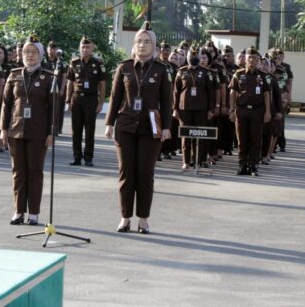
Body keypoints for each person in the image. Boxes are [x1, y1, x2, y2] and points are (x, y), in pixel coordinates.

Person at [105, 22, 172, 234]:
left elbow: (167, 101)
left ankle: (143, 219)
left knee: (144, 173)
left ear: (154, 46)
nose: (142, 45)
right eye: (139, 41)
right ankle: (125, 218)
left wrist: (168, 127)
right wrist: (109, 123)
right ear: (133, 45)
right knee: (126, 173)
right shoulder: (123, 67)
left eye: (147, 42)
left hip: (150, 128)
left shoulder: (161, 70)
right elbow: (115, 97)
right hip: (125, 126)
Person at [0, 36, 55, 226]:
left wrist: (51, 133)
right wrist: (3, 129)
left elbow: (53, 107)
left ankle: (34, 213)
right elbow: (6, 105)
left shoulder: (48, 77)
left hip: (38, 132)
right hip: (16, 130)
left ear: (40, 55)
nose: (29, 55)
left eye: (34, 52)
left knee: (35, 171)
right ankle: (18, 210)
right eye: (26, 52)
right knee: (18, 172)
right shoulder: (14, 75)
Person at [229, 47, 271, 176]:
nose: (252, 60)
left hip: (257, 111)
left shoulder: (263, 76)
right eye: (249, 58)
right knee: (242, 140)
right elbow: (233, 93)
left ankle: (253, 166)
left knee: (255, 139)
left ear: (258, 60)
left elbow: (266, 95)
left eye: (255, 58)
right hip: (241, 110)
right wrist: (232, 110)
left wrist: (268, 112)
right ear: (245, 60)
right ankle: (242, 165)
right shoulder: (238, 74)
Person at [66, 36, 106, 166]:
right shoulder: (74, 63)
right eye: (83, 47)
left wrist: (100, 102)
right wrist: (68, 101)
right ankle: (77, 157)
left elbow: (102, 84)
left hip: (91, 99)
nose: (85, 49)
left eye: (88, 47)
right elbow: (69, 83)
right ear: (79, 48)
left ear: (92, 48)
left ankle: (88, 158)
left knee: (90, 129)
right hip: (77, 98)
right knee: (76, 130)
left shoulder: (98, 63)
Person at [174, 48, 216, 170]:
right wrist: (175, 108)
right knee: (185, 136)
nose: (194, 57)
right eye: (191, 55)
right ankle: (186, 161)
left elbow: (210, 92)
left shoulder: (206, 72)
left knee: (199, 136)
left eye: (196, 55)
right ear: (187, 57)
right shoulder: (181, 72)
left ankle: (197, 161)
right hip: (184, 109)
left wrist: (210, 110)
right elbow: (175, 92)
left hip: (201, 109)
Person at [0, 44, 12, 152]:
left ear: (4, 55)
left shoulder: (9, 67)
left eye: (1, 53)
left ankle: (1, 142)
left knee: (3, 119)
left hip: (5, 95)